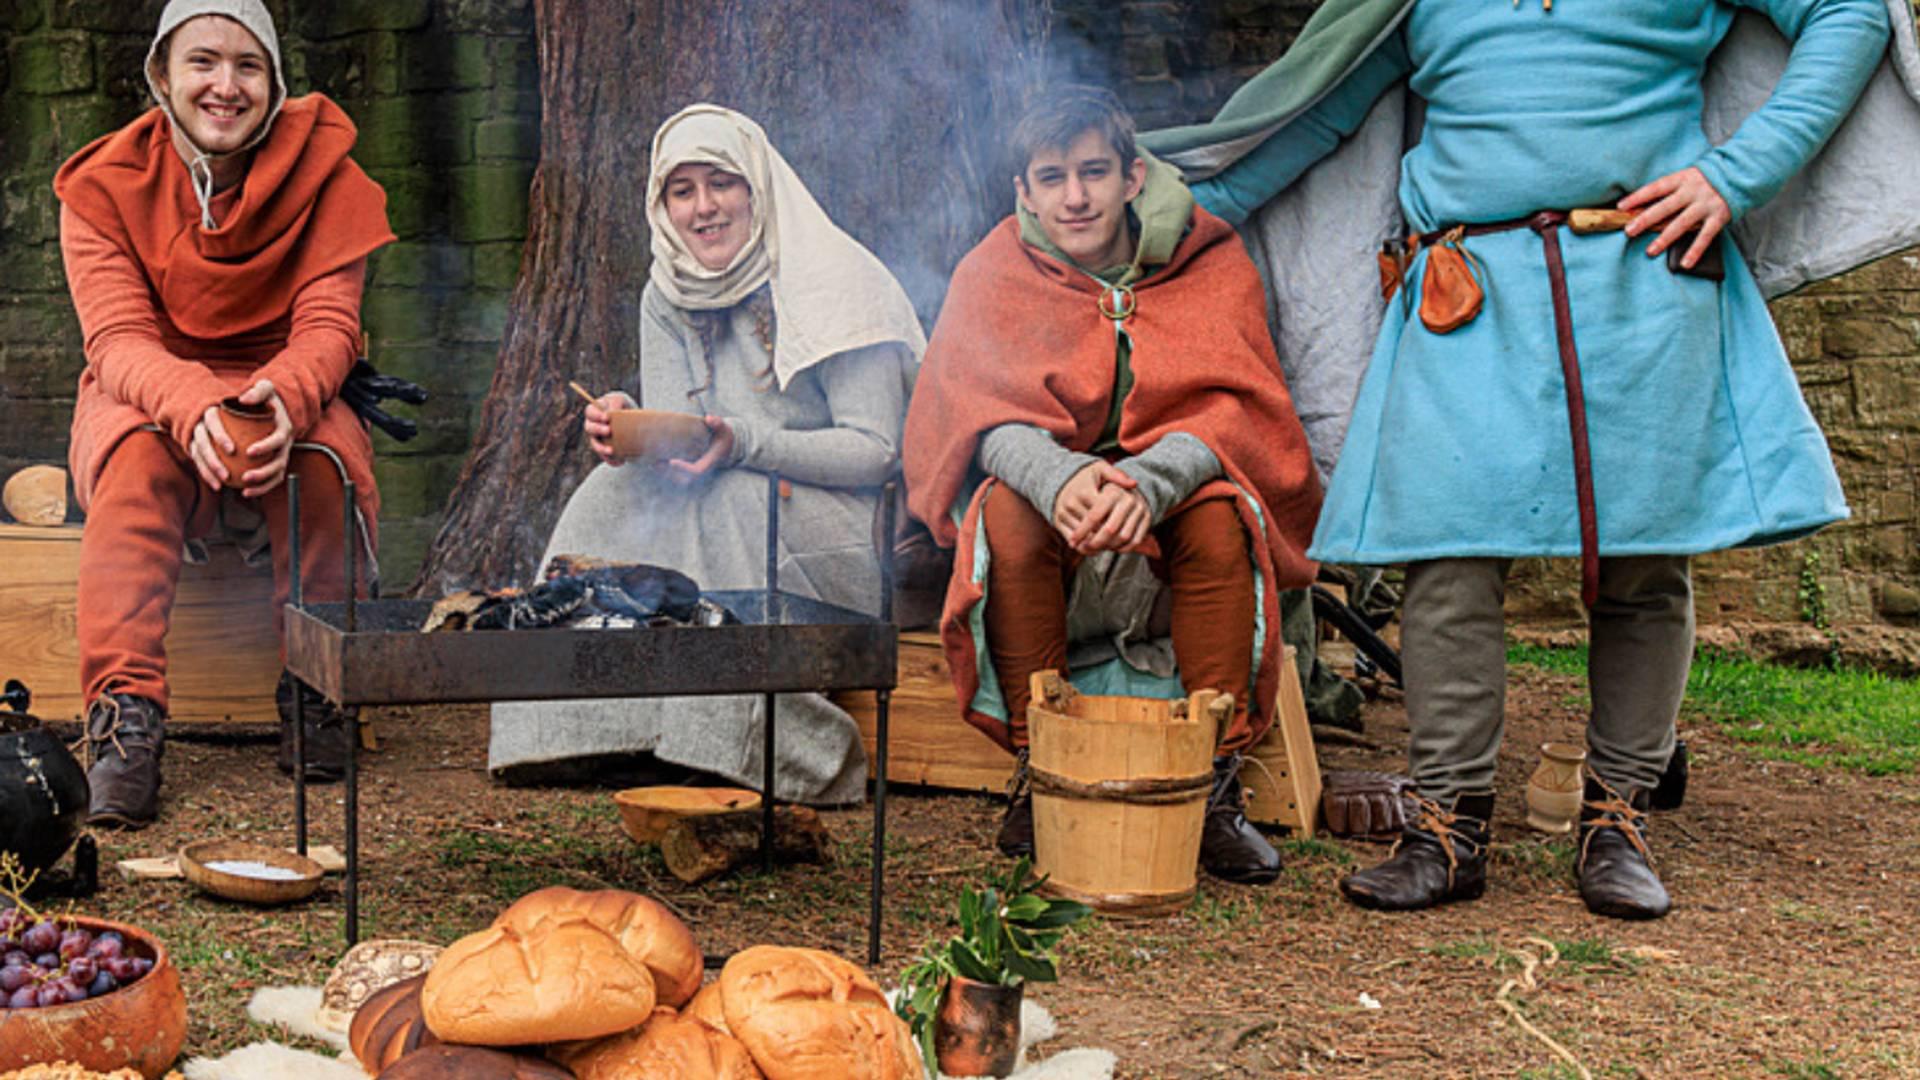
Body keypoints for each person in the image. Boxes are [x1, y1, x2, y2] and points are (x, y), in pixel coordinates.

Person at [1140, 0, 1909, 917]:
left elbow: (1854, 12)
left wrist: (1736, 176)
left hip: (1646, 281)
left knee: (1644, 565)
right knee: (1447, 565)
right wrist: (1143, 229)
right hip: (1465, 296)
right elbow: (1313, 114)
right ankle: (1447, 829)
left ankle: (1616, 819)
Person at [902, 87, 1324, 884]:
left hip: (1167, 499)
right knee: (1009, 516)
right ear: (1023, 192)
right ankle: (1041, 769)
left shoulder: (1207, 258)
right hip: (1053, 505)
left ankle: (1215, 787)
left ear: (1134, 176)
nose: (1076, 196)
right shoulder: (995, 270)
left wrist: (1147, 486)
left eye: (1094, 172)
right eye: (1052, 177)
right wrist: (1060, 479)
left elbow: (1238, 412)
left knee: (1217, 518)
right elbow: (970, 418)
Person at [487, 105, 924, 804]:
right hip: (727, 506)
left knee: (732, 496)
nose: (703, 207)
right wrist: (630, 425)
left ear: (757, 188)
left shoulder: (836, 282)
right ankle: (581, 735)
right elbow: (683, 448)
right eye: (681, 190)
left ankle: (775, 755)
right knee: (611, 493)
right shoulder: (667, 290)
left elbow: (877, 454)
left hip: (851, 538)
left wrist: (745, 443)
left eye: (721, 183)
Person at [53, 0, 395, 828]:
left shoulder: (329, 176)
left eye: (248, 66)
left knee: (325, 468)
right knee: (134, 468)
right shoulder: (103, 184)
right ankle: (126, 720)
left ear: (274, 85)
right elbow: (117, 338)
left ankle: (317, 691)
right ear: (162, 76)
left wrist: (283, 397)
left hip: (288, 380)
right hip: (148, 382)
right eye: (202, 62)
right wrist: (193, 402)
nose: (225, 85)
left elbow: (329, 326)